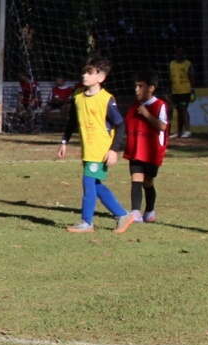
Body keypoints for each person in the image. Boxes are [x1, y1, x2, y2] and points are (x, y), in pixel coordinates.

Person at [57, 55, 134, 234]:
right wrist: (64, 142)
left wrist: (114, 150)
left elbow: (120, 124)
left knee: (88, 182)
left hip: (101, 151)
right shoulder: (77, 97)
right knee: (96, 185)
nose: (85, 75)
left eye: (90, 73)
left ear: (101, 77)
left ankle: (86, 222)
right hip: (87, 150)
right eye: (84, 71)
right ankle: (122, 214)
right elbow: (72, 122)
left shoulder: (106, 99)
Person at [125, 72, 169, 223]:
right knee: (136, 179)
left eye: (140, 86)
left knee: (147, 182)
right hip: (136, 150)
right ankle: (135, 212)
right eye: (136, 86)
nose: (136, 89)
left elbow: (162, 126)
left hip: (151, 152)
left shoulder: (159, 105)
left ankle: (149, 210)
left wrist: (147, 114)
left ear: (151, 88)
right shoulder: (134, 106)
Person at [168, 47, 194, 138]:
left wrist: (193, 90)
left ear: (184, 53)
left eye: (181, 52)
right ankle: (179, 131)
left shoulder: (188, 64)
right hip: (175, 90)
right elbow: (170, 78)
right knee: (178, 110)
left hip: (185, 90)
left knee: (183, 108)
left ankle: (187, 130)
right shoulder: (172, 64)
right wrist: (169, 90)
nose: (179, 54)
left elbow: (191, 77)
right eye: (177, 52)